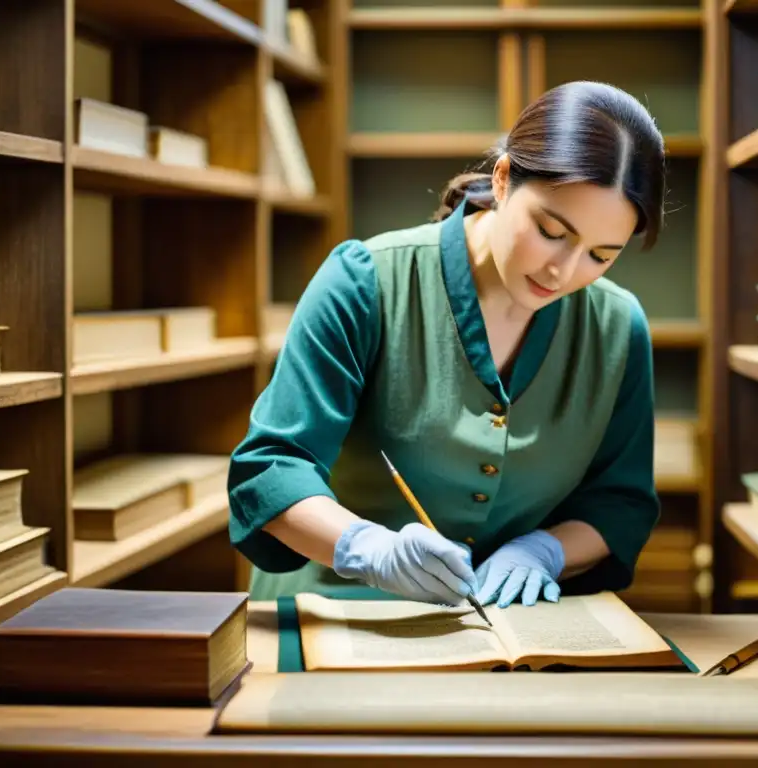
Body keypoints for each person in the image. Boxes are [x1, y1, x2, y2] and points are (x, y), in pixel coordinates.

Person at [227, 80, 667, 610]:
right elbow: (271, 466)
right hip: (334, 615)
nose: (564, 271)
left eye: (601, 255)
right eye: (552, 230)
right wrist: (366, 549)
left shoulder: (618, 329)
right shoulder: (365, 282)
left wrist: (545, 551)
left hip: (498, 634)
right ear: (503, 180)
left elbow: (619, 504)